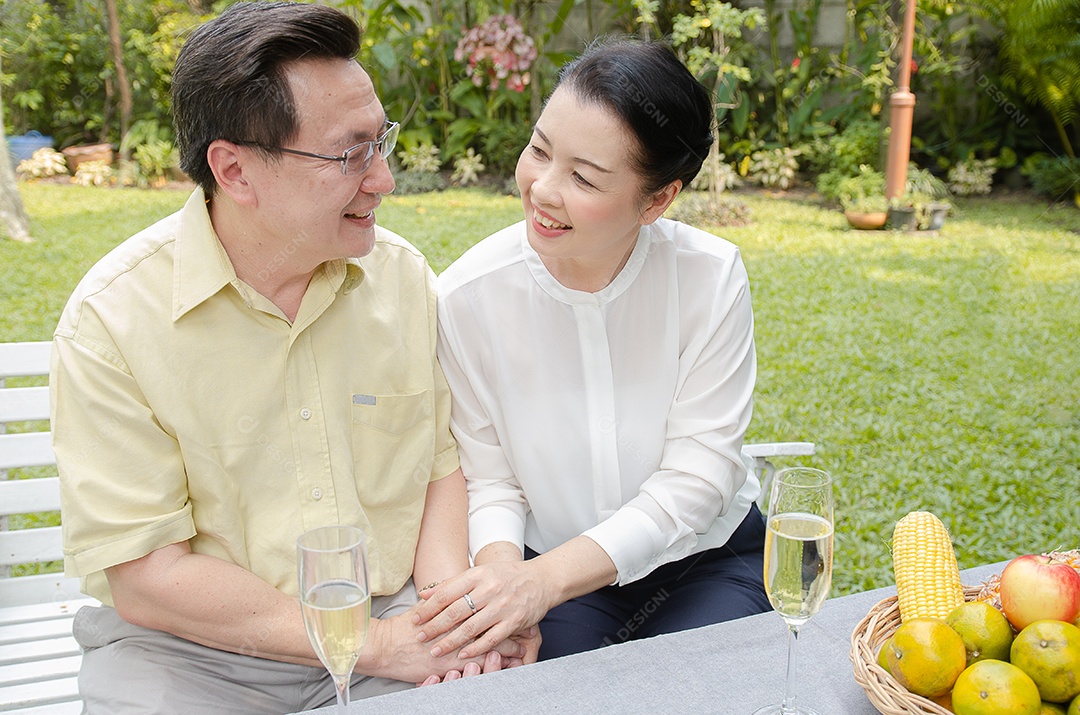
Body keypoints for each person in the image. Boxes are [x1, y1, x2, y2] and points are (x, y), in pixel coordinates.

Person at [50, 3, 524, 712]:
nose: (384, 179)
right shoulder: (112, 323)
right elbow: (149, 577)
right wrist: (377, 645)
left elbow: (439, 469)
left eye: (381, 141)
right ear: (235, 170)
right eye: (349, 153)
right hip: (193, 656)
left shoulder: (400, 279)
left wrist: (448, 618)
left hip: (395, 619)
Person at [415, 38, 772, 663]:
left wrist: (538, 583)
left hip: (704, 561)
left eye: (583, 176)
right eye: (539, 151)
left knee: (712, 690)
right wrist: (508, 593)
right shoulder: (469, 295)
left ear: (658, 199)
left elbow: (700, 477)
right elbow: (489, 479)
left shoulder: (710, 277)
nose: (543, 190)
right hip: (560, 580)